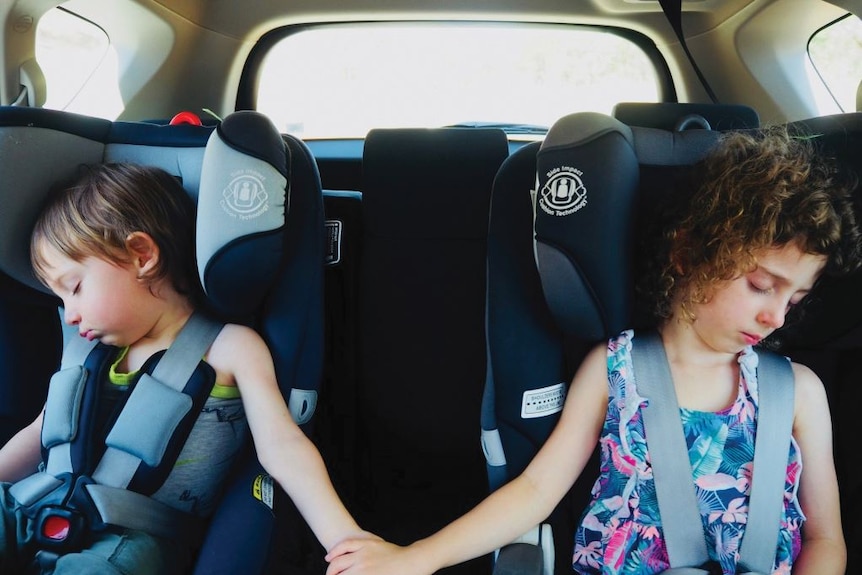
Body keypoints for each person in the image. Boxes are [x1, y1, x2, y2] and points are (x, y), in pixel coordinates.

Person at [325, 127, 861, 575]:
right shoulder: (616, 370)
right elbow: (536, 491)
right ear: (688, 254)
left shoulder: (799, 393)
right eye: (762, 285)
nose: (778, 316)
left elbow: (825, 540)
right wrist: (415, 559)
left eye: (797, 297)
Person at [0, 163, 371, 574]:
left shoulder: (229, 349)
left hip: (137, 539)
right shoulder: (88, 352)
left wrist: (344, 538)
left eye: (75, 288)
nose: (68, 315)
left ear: (142, 255)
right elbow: (43, 430)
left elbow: (282, 448)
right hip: (41, 504)